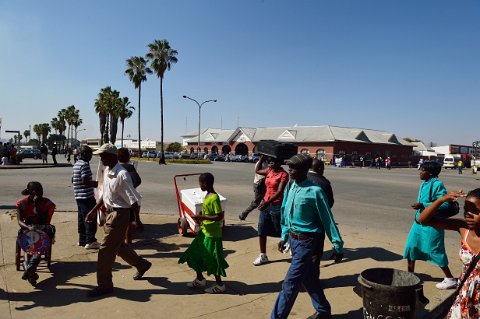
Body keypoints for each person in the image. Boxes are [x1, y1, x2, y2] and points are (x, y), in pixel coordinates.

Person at [272, 154, 344, 319]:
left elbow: (328, 220)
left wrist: (337, 246)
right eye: (289, 167)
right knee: (309, 279)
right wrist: (284, 235)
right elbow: (285, 212)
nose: (289, 171)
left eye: (293, 168)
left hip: (307, 244)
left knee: (289, 285)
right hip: (293, 240)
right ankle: (323, 311)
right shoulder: (291, 186)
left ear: (305, 170)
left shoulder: (315, 192)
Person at [85, 143, 151, 297]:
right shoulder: (108, 170)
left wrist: (137, 221)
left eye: (103, 155)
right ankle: (142, 265)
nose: (100, 159)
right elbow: (105, 195)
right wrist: (94, 211)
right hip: (110, 213)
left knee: (105, 251)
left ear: (112, 156)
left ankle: (105, 285)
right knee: (119, 246)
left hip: (120, 215)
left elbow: (133, 199)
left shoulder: (122, 174)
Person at [416, 188, 480, 318]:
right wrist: (441, 200)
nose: (468, 214)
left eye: (475, 211)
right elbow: (423, 220)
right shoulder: (463, 228)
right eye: (466, 209)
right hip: (463, 296)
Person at [403, 160, 456, 289]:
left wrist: (423, 205)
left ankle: (450, 279)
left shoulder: (437, 184)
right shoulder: (424, 183)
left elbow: (445, 203)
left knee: (435, 251)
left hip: (432, 224)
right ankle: (410, 276)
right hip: (419, 222)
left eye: (422, 170)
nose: (419, 172)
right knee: (411, 248)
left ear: (430, 173)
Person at [178, 172, 229, 293]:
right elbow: (207, 212)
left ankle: (220, 285)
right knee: (194, 254)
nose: (199, 185)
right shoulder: (206, 195)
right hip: (204, 232)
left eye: (200, 183)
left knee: (213, 258)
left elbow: (219, 216)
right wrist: (199, 216)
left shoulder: (214, 197)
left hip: (212, 235)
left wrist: (203, 218)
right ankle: (200, 279)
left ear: (205, 184)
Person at [16, 181, 56, 287]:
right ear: (31, 192)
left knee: (46, 234)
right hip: (28, 227)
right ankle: (30, 269)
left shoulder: (48, 203)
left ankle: (29, 267)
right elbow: (20, 221)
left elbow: (47, 221)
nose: (40, 194)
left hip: (42, 227)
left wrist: (37, 207)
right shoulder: (22, 203)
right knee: (27, 238)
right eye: (37, 192)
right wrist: (28, 227)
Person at [253, 154, 289, 266]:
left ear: (279, 162)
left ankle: (289, 243)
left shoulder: (284, 174)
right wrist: (262, 158)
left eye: (273, 161)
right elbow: (257, 170)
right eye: (269, 161)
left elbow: (279, 192)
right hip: (266, 204)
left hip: (277, 205)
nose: (270, 163)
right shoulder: (269, 171)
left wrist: (266, 202)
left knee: (279, 229)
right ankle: (263, 255)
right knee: (261, 229)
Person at [72, 145, 100, 249]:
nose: (91, 156)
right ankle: (90, 240)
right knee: (90, 217)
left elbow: (73, 180)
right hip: (86, 196)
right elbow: (85, 181)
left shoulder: (76, 164)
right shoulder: (84, 165)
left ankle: (82, 240)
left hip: (78, 196)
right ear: (84, 154)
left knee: (81, 218)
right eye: (89, 154)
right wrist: (98, 184)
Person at [308, 158, 335, 262]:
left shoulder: (300, 178)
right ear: (319, 168)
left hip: (300, 222)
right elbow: (330, 203)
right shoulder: (324, 183)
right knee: (316, 250)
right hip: (318, 222)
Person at [118, 147, 143, 244]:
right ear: (127, 157)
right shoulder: (129, 167)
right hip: (127, 199)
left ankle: (119, 244)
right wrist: (131, 188)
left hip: (115, 200)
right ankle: (128, 244)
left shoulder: (113, 167)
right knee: (128, 222)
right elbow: (137, 180)